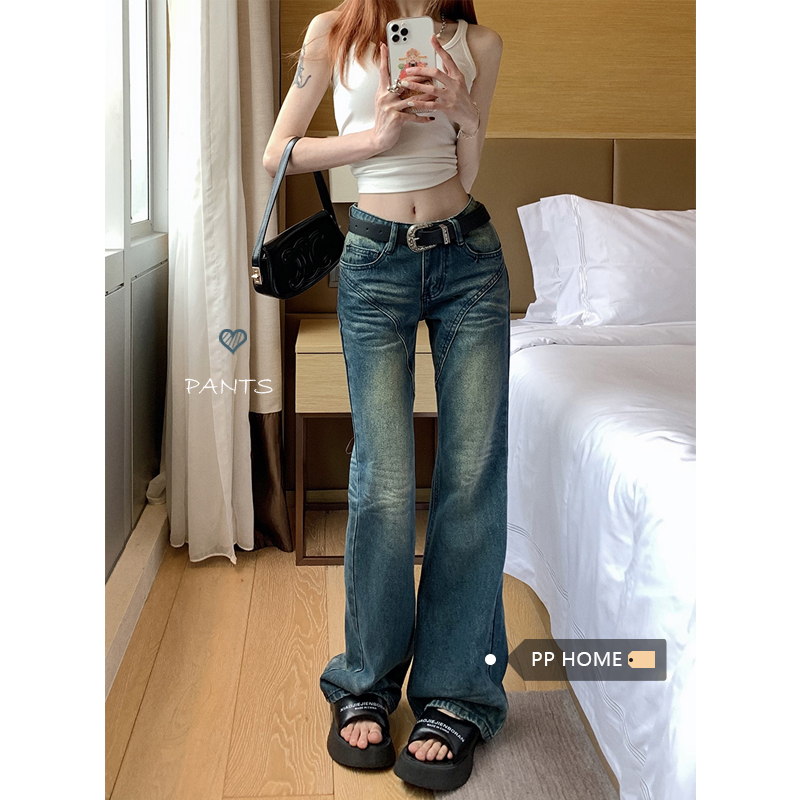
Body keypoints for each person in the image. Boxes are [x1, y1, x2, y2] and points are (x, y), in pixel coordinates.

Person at [263, 0, 507, 791]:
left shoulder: (479, 43)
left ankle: (455, 695)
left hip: (468, 259)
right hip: (373, 261)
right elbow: (278, 152)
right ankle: (364, 683)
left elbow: (466, 175)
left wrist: (464, 112)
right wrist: (374, 139)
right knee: (384, 482)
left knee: (470, 478)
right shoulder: (332, 31)